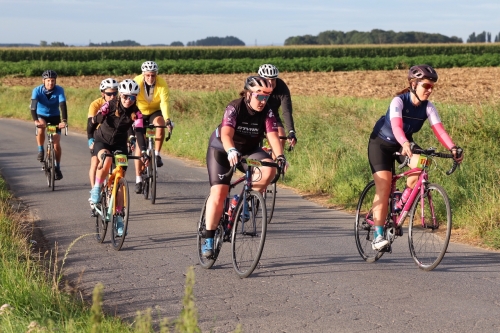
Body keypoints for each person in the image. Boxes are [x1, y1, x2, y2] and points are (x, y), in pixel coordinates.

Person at [367, 64, 464, 250]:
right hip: (381, 144)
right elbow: (396, 127)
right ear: (413, 84)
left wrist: (452, 147)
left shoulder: (428, 107)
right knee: (384, 186)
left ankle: (399, 204)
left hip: (405, 143)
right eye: (426, 86)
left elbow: (439, 130)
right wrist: (404, 143)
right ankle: (378, 235)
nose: (429, 91)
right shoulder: (398, 101)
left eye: (432, 87)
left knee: (420, 167)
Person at [201, 76, 286, 257]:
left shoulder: (267, 111)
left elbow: (272, 135)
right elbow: (225, 134)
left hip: (248, 151)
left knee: (269, 168)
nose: (263, 101)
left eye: (267, 97)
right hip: (223, 149)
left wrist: (280, 157)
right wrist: (230, 149)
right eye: (260, 97)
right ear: (248, 94)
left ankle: (239, 200)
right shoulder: (235, 107)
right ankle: (208, 239)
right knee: (219, 192)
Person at [88, 79, 146, 236]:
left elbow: (140, 133)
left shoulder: (137, 113)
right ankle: (97, 189)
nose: (129, 100)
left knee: (119, 177)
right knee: (106, 160)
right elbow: (94, 121)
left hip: (120, 145)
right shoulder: (110, 104)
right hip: (102, 141)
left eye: (132, 97)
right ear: (120, 95)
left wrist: (145, 151)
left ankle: (119, 217)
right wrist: (91, 137)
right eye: (126, 96)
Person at [132, 61, 173, 194]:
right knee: (139, 145)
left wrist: (167, 119)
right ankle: (138, 179)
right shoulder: (137, 81)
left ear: (156, 75)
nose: (150, 78)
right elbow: (130, 100)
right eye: (148, 75)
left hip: (154, 111)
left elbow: (165, 103)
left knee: (160, 124)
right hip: (139, 111)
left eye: (153, 75)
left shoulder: (162, 84)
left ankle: (156, 154)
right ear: (143, 74)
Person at [31, 70, 68, 180]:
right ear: (44, 81)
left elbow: (62, 105)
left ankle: (57, 167)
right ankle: (41, 150)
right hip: (41, 115)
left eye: (52, 81)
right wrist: (35, 120)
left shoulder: (59, 90)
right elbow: (33, 107)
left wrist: (64, 121)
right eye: (48, 81)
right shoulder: (37, 90)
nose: (50, 83)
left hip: (54, 117)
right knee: (41, 127)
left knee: (56, 143)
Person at [87, 78, 119, 188]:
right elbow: (90, 124)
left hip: (114, 135)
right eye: (109, 94)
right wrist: (90, 139)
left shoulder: (120, 104)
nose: (112, 96)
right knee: (95, 163)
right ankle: (94, 191)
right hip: (98, 134)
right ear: (103, 93)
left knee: (116, 165)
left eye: (115, 93)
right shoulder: (96, 104)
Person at [257, 64, 297, 149]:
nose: (271, 83)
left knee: (281, 137)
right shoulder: (255, 86)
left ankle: (274, 161)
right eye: (268, 80)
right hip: (255, 116)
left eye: (273, 79)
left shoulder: (281, 87)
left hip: (272, 116)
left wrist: (291, 131)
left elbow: (286, 111)